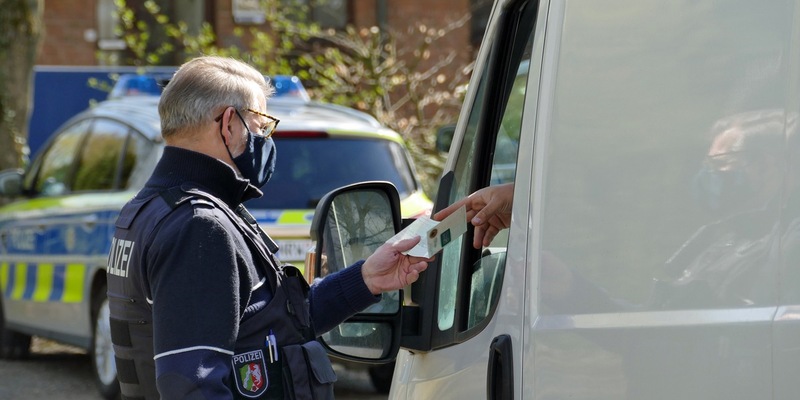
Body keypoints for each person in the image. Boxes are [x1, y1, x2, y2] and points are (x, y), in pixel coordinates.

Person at [106, 56, 432, 400]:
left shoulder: (150, 209)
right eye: (261, 126)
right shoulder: (199, 225)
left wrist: (366, 278)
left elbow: (274, 322)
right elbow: (193, 384)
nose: (265, 139)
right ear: (229, 124)